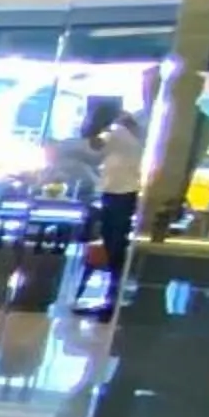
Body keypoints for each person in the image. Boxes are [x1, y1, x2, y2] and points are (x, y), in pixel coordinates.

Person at [68, 99, 146, 316]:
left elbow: (93, 150)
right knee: (115, 246)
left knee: (114, 247)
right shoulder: (129, 130)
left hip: (118, 193)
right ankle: (111, 299)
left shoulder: (116, 132)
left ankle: (111, 302)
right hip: (122, 191)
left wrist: (90, 127)